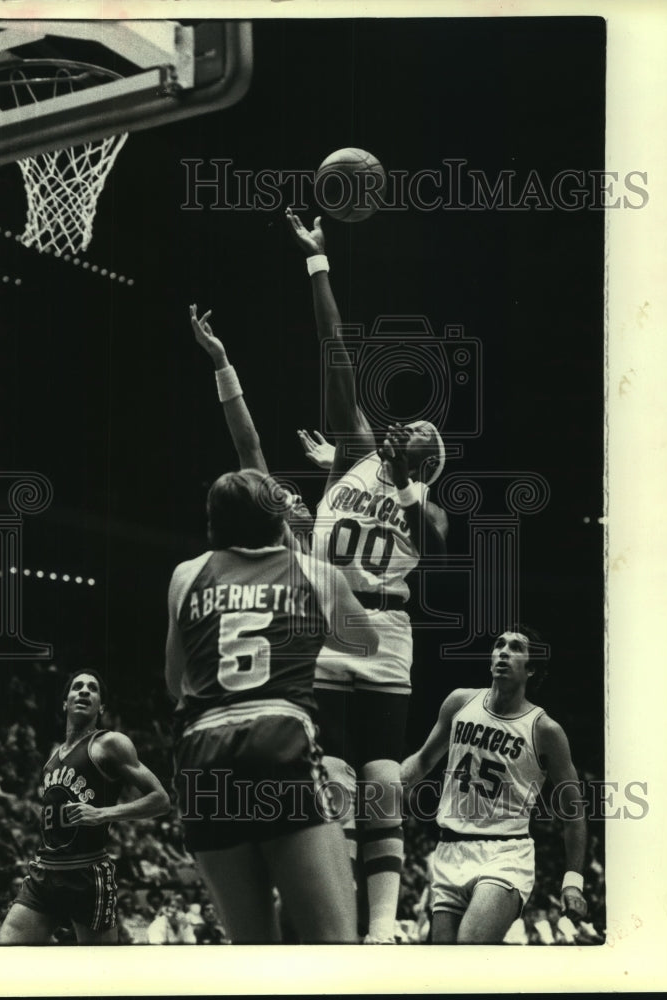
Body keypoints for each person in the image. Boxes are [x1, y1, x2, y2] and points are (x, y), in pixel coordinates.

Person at [286, 207, 449, 943]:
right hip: (327, 616)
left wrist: (414, 484)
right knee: (336, 780)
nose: (401, 426)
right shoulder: (353, 451)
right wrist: (318, 263)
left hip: (384, 628)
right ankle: (337, 914)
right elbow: (335, 352)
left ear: (428, 460)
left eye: (418, 433)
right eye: (405, 426)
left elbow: (432, 540)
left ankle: (382, 929)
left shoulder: (430, 509)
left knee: (382, 779)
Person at [165, 466, 380, 943]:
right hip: (277, 740)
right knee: (335, 943)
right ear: (279, 522)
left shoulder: (186, 576)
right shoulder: (314, 573)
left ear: (213, 523)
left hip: (201, 755)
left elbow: (175, 683)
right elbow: (366, 644)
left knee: (252, 952)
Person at [400, 628, 588, 943]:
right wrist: (386, 788)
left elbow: (574, 812)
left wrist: (573, 881)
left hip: (505, 853)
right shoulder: (460, 702)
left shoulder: (545, 730)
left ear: (531, 669)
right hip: (449, 850)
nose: (503, 651)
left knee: (468, 948)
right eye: (499, 645)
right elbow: (422, 760)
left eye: (516, 648)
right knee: (444, 971)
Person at [0, 669, 171, 944]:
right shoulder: (52, 758)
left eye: (92, 688)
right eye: (77, 686)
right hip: (46, 871)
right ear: (65, 702)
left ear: (101, 706)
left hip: (87, 875)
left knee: (99, 972)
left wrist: (103, 813)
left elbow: (161, 799)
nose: (84, 690)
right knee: (8, 947)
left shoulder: (110, 743)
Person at [189, 303, 313, 551]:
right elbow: (248, 446)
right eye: (286, 499)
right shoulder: (291, 553)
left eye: (290, 498)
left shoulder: (327, 562)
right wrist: (221, 361)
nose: (297, 498)